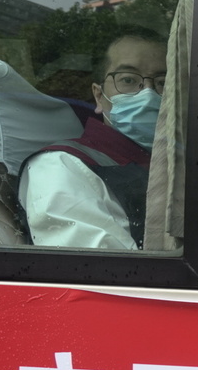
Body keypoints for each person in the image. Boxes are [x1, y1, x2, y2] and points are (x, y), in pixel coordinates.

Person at [18, 27, 166, 249]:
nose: (148, 93)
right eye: (128, 79)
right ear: (98, 95)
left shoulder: (183, 158)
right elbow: (102, 265)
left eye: (162, 82)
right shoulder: (62, 165)